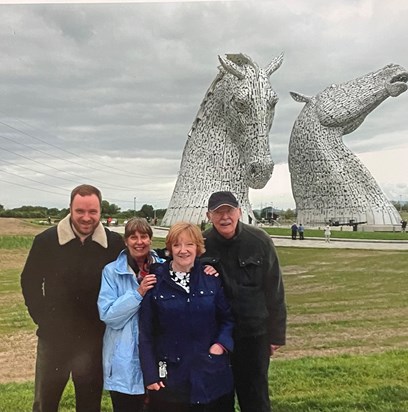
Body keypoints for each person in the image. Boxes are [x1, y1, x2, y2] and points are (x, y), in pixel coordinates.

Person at [21, 184, 124, 412]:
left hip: (93, 339)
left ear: (100, 211)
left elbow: (129, 277)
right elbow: (29, 282)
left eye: (93, 212)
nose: (86, 218)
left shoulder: (114, 244)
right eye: (80, 211)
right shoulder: (46, 241)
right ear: (70, 208)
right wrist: (43, 319)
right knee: (45, 402)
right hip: (54, 337)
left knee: (89, 404)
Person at [202, 191, 287, 412]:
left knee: (255, 398)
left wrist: (276, 334)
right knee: (218, 400)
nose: (224, 217)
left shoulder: (260, 241)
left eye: (229, 210)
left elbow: (274, 289)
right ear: (208, 216)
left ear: (239, 212)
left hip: (253, 336)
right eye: (218, 212)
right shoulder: (201, 244)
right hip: (216, 338)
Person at [139, 222, 234, 412]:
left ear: (198, 248)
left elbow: (228, 319)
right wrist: (150, 375)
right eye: (177, 245)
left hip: (210, 375)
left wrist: (220, 345)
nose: (183, 250)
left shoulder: (211, 279)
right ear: (169, 249)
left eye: (189, 244)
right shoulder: (156, 283)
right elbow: (146, 333)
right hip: (172, 379)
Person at [97, 218, 165, 412]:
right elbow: (108, 315)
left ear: (151, 240)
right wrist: (138, 293)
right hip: (123, 361)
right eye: (133, 237)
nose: (139, 242)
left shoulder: (164, 269)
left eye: (144, 236)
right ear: (126, 241)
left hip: (156, 358)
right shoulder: (111, 272)